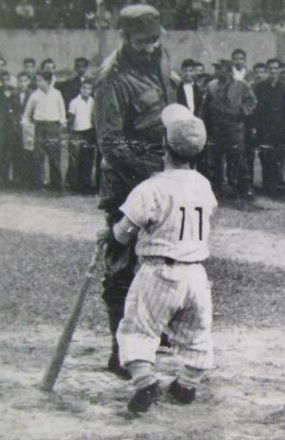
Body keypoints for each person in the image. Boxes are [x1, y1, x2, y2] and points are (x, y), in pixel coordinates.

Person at [113, 104, 217, 414]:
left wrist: (115, 231)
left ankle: (145, 381)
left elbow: (122, 233)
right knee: (196, 333)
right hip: (197, 274)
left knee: (138, 329)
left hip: (159, 271)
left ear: (164, 145)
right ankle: (187, 383)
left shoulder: (152, 187)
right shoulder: (204, 184)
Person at [92, 4, 177, 380]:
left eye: (154, 40)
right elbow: (111, 142)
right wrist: (152, 174)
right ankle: (120, 349)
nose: (149, 47)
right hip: (127, 185)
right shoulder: (112, 78)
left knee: (164, 264)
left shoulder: (161, 65)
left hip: (164, 178)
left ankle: (151, 334)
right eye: (142, 41)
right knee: (122, 268)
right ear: (125, 38)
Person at [202, 59, 256, 197]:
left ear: (228, 70)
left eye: (219, 68)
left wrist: (241, 112)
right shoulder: (211, 86)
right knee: (215, 160)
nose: (216, 71)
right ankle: (216, 188)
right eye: (216, 68)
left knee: (238, 158)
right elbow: (205, 107)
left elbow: (252, 101)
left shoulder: (241, 85)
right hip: (216, 128)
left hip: (234, 128)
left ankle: (244, 187)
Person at [21, 70, 67, 191]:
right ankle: (38, 184)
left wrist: (61, 121)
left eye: (40, 80)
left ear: (47, 81)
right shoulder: (34, 95)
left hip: (53, 127)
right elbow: (26, 114)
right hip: (39, 127)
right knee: (38, 156)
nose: (37, 82)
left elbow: (62, 111)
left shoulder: (57, 94)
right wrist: (27, 125)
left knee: (55, 156)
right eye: (36, 80)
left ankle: (56, 185)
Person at [253, 58, 285, 195]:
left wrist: (284, 129)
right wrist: (256, 127)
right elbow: (257, 109)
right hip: (264, 126)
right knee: (265, 156)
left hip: (278, 126)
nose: (273, 71)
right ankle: (266, 184)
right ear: (267, 70)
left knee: (277, 156)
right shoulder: (261, 87)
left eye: (276, 68)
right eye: (271, 69)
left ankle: (274, 185)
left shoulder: (284, 87)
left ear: (280, 70)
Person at [66, 81, 98, 193]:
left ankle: (86, 184)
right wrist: (71, 134)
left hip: (88, 132)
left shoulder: (92, 101)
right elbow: (71, 119)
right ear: (80, 89)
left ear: (91, 90)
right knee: (75, 159)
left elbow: (93, 117)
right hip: (77, 132)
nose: (86, 90)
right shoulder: (74, 102)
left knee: (88, 159)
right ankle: (74, 184)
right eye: (83, 88)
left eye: (88, 88)